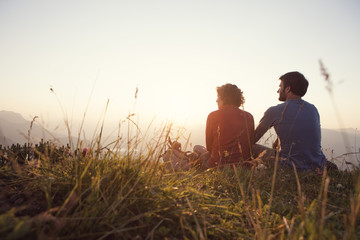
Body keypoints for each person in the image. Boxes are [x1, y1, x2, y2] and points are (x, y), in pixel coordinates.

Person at [254, 71, 330, 171]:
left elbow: (252, 138)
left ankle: (245, 170)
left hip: (289, 166)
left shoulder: (275, 111)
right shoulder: (313, 109)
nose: (278, 90)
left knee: (249, 146)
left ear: (288, 89)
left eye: (280, 86)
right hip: (317, 165)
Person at [204, 83, 254, 168]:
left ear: (223, 98)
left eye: (218, 97)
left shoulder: (212, 116)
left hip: (218, 165)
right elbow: (250, 143)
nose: (216, 100)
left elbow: (209, 147)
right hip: (243, 165)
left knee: (197, 148)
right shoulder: (248, 116)